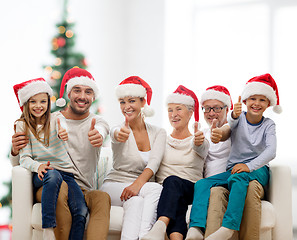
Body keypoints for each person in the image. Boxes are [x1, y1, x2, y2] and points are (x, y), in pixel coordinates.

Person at [10, 68, 111, 240]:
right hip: (51, 183)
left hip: (82, 187)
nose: (82, 96)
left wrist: (99, 135)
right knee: (60, 186)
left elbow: (102, 129)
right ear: (68, 93)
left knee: (102, 197)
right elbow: (20, 161)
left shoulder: (97, 122)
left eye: (88, 92)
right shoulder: (52, 119)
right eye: (77, 90)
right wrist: (14, 150)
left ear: (93, 97)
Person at [186, 73, 280, 240]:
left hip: (258, 170)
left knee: (239, 176)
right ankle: (196, 228)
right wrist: (217, 134)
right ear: (244, 101)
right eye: (252, 98)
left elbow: (271, 151)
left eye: (262, 100)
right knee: (202, 184)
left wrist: (249, 166)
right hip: (235, 170)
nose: (256, 103)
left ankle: (229, 227)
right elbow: (227, 129)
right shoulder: (237, 118)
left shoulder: (268, 125)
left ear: (268, 104)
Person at [100, 76, 167, 240]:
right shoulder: (118, 129)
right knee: (156, 189)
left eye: (131, 101)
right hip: (114, 186)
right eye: (122, 102)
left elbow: (154, 163)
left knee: (136, 203)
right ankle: (146, 236)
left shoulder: (158, 132)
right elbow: (115, 135)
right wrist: (118, 134)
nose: (126, 107)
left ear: (143, 102)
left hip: (138, 190)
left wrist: (136, 186)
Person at [141, 85, 208, 240]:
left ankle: (160, 225)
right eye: (170, 110)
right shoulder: (161, 138)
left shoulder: (199, 139)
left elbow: (201, 148)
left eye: (178, 109)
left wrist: (198, 142)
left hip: (191, 188)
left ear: (190, 113)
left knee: (172, 182)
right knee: (175, 196)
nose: (173, 114)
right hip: (167, 193)